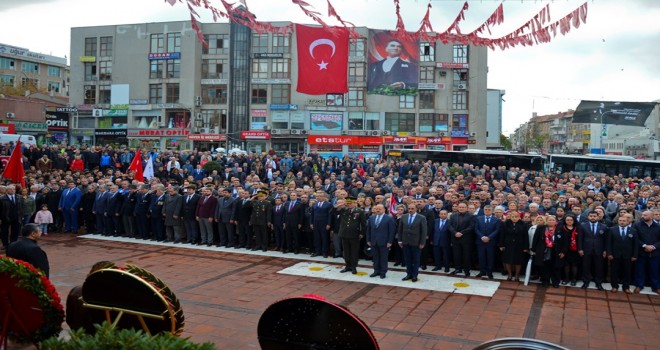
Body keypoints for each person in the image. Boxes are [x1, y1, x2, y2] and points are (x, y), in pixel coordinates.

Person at [531, 216, 567, 288]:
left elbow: (565, 241)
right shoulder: (541, 228)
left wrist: (563, 251)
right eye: (549, 220)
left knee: (556, 267)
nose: (551, 221)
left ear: (555, 221)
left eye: (553, 220)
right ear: (546, 221)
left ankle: (555, 282)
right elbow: (535, 238)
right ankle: (545, 281)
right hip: (543, 250)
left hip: (556, 251)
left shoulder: (560, 229)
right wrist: (534, 250)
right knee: (544, 267)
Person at [606, 215, 638, 293]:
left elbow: (636, 244)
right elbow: (608, 243)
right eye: (620, 220)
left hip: (628, 255)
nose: (622, 222)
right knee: (614, 271)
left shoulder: (633, 231)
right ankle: (614, 286)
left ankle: (626, 287)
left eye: (624, 221)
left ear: (628, 221)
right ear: (618, 221)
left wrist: (634, 255)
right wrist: (609, 253)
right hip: (615, 254)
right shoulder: (612, 230)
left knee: (627, 271)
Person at [336, 197, 367, 275]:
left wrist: (362, 233)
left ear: (354, 203)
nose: (349, 204)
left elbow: (364, 224)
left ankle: (353, 266)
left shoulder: (359, 211)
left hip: (354, 234)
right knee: (346, 251)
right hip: (344, 233)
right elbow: (332, 212)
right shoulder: (343, 210)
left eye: (351, 203)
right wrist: (340, 205)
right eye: (348, 203)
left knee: (354, 251)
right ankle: (347, 266)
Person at [398, 202, 427, 282]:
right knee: (407, 259)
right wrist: (400, 240)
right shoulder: (404, 217)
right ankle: (408, 274)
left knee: (416, 260)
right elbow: (400, 230)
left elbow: (424, 231)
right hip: (405, 242)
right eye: (409, 208)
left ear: (416, 209)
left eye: (412, 209)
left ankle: (414, 275)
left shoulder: (421, 217)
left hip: (416, 243)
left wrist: (422, 242)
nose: (410, 210)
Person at [578, 211, 607, 290]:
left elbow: (606, 240)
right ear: (588, 217)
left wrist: (605, 250)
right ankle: (586, 282)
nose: (593, 217)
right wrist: (580, 249)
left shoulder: (604, 226)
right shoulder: (583, 226)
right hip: (586, 249)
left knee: (599, 267)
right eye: (591, 216)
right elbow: (580, 238)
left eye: (594, 216)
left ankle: (598, 283)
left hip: (599, 250)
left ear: (598, 217)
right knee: (586, 266)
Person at [633, 210, 659, 294]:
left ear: (651, 217)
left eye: (645, 215)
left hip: (655, 253)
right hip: (641, 252)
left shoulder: (658, 226)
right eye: (642, 215)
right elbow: (635, 238)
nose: (642, 216)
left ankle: (656, 287)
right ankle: (639, 285)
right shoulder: (637, 225)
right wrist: (644, 245)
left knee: (655, 271)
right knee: (639, 270)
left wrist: (653, 246)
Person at [499, 211, 530, 281]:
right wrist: (501, 245)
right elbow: (502, 235)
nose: (514, 218)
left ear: (519, 217)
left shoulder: (523, 224)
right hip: (508, 245)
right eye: (512, 217)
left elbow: (526, 236)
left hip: (519, 245)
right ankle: (509, 274)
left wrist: (526, 247)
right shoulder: (505, 223)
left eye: (516, 217)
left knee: (518, 261)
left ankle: (517, 275)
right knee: (507, 260)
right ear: (510, 217)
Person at [366, 204, 395, 279]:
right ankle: (376, 271)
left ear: (384, 209)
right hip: (373, 241)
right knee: (375, 257)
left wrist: (390, 242)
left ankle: (383, 272)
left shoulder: (389, 218)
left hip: (384, 242)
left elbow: (391, 231)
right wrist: (368, 240)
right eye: (377, 209)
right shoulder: (371, 218)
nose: (378, 210)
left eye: (380, 209)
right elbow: (368, 230)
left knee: (383, 258)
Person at [448, 202, 475, 277]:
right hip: (455, 238)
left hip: (466, 239)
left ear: (466, 208)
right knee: (456, 255)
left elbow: (471, 227)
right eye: (460, 207)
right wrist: (455, 233)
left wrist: (461, 233)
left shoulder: (471, 216)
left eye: (463, 207)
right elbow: (449, 225)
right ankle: (458, 268)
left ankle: (467, 270)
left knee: (466, 255)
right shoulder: (453, 215)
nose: (461, 208)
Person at [475, 205, 501, 279]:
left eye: (489, 210)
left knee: (490, 257)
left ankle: (489, 272)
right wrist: (482, 237)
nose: (487, 211)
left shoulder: (496, 220)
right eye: (486, 209)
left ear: (492, 211)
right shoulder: (478, 218)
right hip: (480, 241)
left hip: (491, 242)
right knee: (481, 257)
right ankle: (482, 271)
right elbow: (476, 229)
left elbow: (497, 230)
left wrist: (489, 237)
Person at [310, 191, 333, 258]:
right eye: (317, 196)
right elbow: (312, 214)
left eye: (320, 196)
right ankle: (317, 251)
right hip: (315, 223)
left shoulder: (328, 204)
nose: (318, 197)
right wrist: (311, 223)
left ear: (324, 197)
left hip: (324, 223)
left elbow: (330, 215)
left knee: (324, 238)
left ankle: (324, 252)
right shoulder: (315, 204)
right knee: (317, 238)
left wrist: (329, 224)